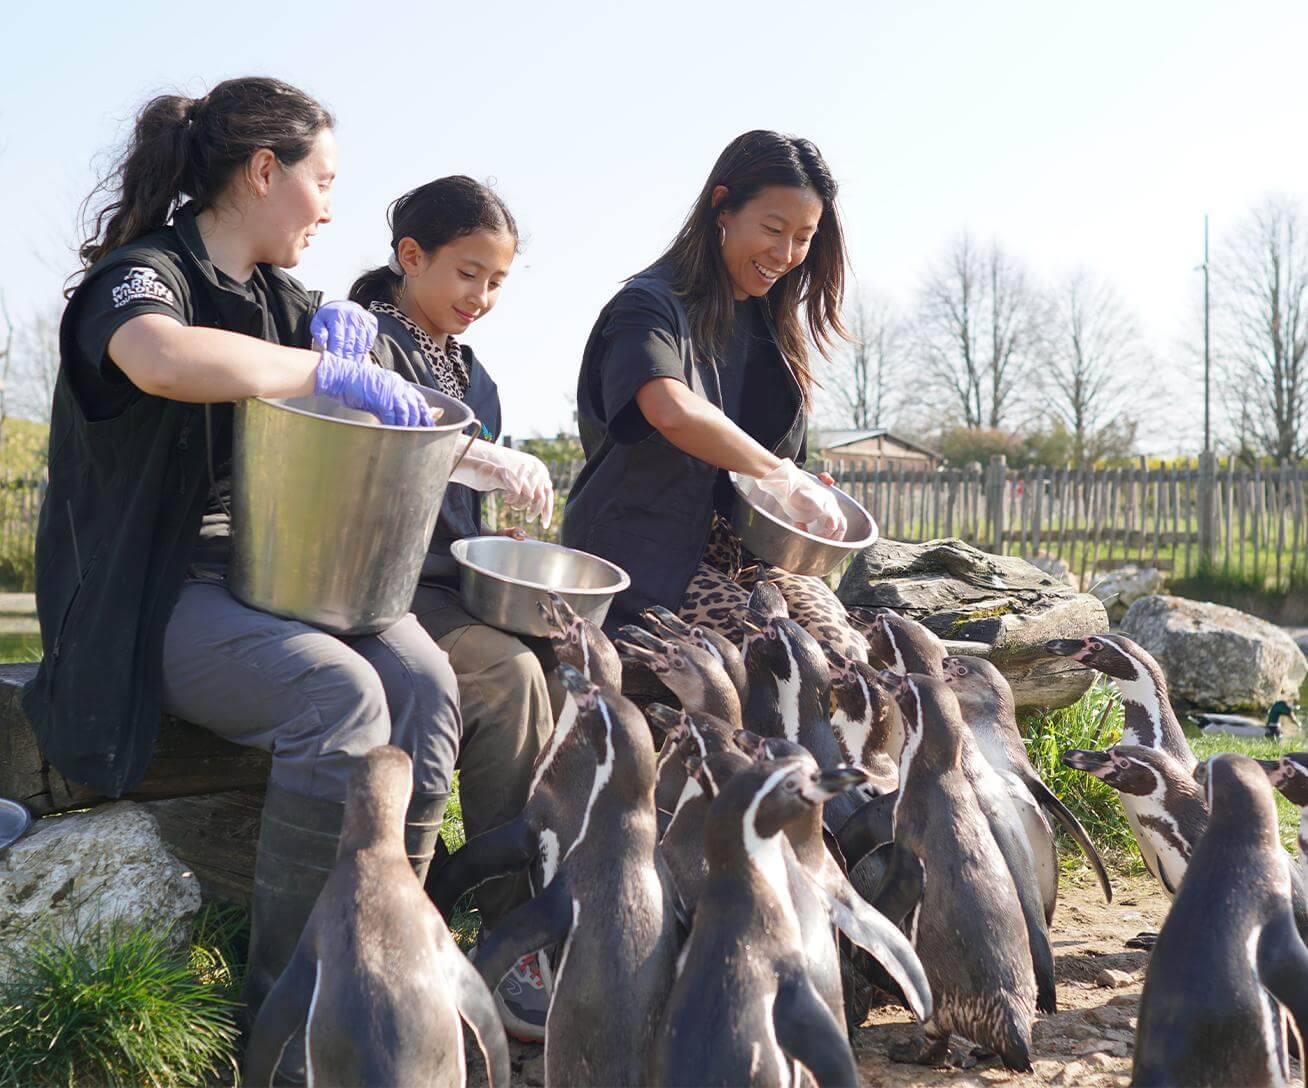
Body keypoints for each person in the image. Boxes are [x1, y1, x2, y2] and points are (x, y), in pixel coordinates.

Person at [23, 77, 462, 1076]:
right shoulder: (143, 278)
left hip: (277, 574)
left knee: (426, 682)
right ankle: (286, 1019)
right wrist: (316, 372)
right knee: (340, 694)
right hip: (157, 596)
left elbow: (391, 393)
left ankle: (389, 963)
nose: (332, 206)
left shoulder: (286, 302)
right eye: (325, 180)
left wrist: (467, 437)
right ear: (266, 171)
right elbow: (163, 360)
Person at [349, 176, 557, 1041]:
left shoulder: (479, 376)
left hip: (444, 589)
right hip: (370, 589)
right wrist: (473, 457)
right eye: (468, 275)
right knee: (508, 677)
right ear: (411, 258)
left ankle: (536, 915)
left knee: (553, 666)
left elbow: (462, 526)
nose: (482, 298)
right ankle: (511, 941)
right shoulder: (360, 341)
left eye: (498, 282)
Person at [563, 130, 867, 659]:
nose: (787, 253)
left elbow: (773, 461)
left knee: (845, 656)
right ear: (722, 207)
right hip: (644, 555)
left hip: (754, 557)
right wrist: (778, 474)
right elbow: (669, 408)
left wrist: (795, 490)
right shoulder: (648, 306)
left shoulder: (771, 320)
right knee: (778, 659)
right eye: (773, 229)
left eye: (803, 237)